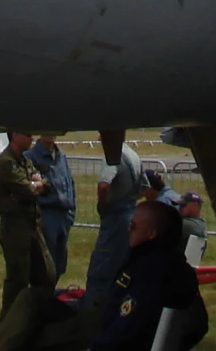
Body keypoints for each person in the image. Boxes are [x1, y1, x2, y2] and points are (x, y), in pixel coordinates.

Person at [89, 199, 207, 351]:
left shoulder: (149, 271)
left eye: (133, 225)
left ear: (151, 234)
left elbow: (127, 329)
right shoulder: (176, 265)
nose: (128, 229)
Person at [0, 130, 54, 323]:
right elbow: (28, 189)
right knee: (18, 281)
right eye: (28, 135)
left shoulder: (24, 161)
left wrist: (35, 186)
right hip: (15, 229)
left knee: (46, 275)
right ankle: (8, 326)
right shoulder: (6, 163)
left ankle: (35, 319)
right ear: (15, 135)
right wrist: (32, 187)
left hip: (32, 226)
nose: (32, 138)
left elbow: (45, 183)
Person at [82, 130, 144, 308]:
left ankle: (94, 311)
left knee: (103, 267)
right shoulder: (134, 155)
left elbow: (103, 186)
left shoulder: (113, 157)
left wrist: (105, 206)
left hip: (115, 217)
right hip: (130, 214)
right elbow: (144, 189)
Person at [28, 133, 77, 280]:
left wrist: (71, 213)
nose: (50, 134)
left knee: (60, 263)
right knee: (45, 265)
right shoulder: (31, 156)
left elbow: (70, 183)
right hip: (46, 215)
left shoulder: (61, 156)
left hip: (64, 216)